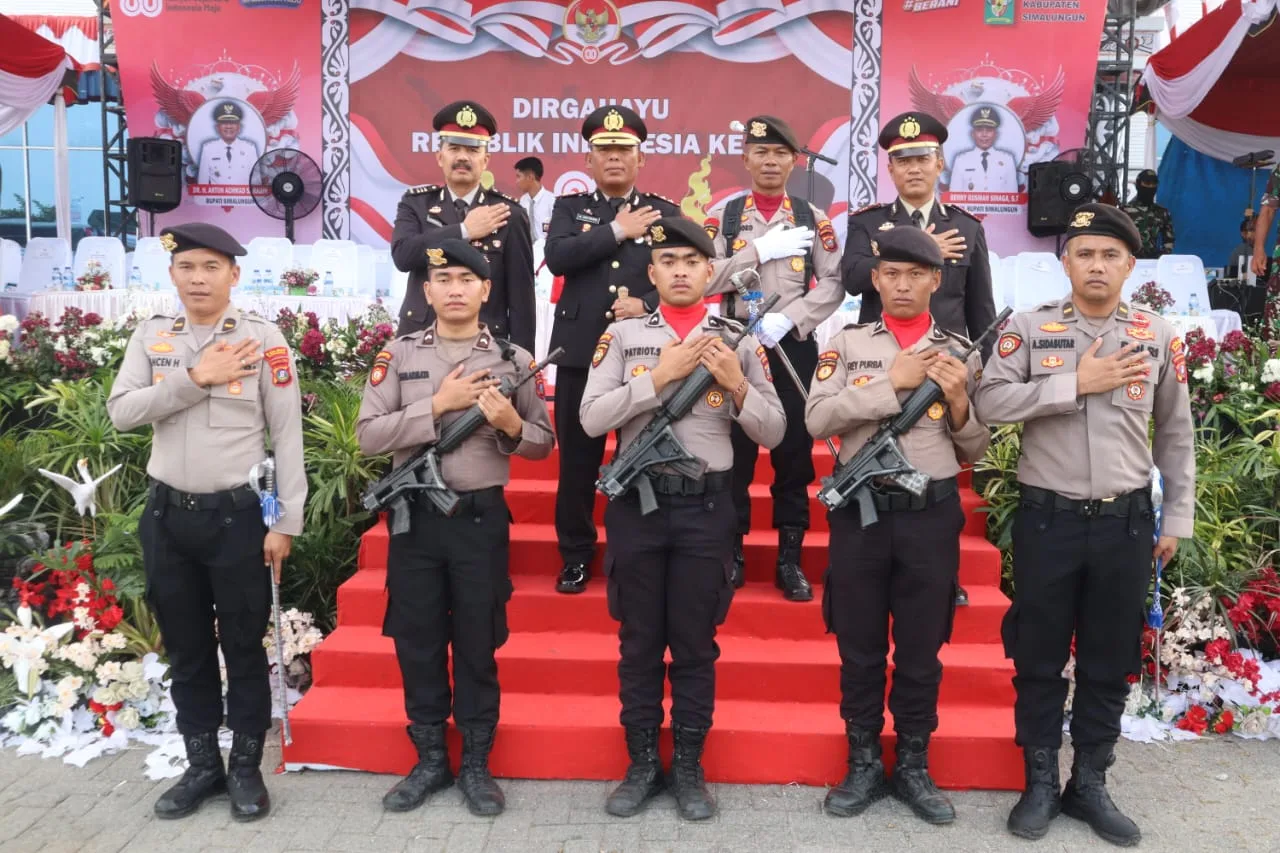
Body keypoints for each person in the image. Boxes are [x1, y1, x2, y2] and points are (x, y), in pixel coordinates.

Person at [973, 203, 1195, 846]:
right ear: (1064, 261)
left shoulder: (1153, 334)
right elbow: (988, 401)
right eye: (1084, 253)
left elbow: (1176, 434)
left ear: (1129, 264)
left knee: (1109, 656)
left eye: (1110, 255)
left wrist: (1174, 515)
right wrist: (1076, 381)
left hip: (1126, 524)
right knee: (1039, 655)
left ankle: (1090, 781)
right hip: (1050, 521)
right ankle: (1039, 781)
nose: (1096, 265)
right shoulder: (1029, 327)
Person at [580, 215, 786, 821]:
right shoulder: (622, 339)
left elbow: (774, 431)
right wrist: (658, 379)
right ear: (652, 273)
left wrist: (736, 386)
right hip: (638, 508)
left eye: (691, 263)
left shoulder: (738, 340)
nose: (679, 271)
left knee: (695, 645)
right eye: (667, 263)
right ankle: (642, 763)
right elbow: (592, 420)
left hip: (706, 510)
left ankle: (690, 765)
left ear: (709, 273)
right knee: (639, 642)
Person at [105, 223, 306, 822]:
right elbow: (122, 413)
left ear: (234, 275)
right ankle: (202, 767)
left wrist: (286, 524)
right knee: (187, 651)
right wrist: (194, 379)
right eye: (187, 266)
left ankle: (245, 767)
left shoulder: (264, 341)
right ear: (172, 274)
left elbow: (288, 435)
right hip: (168, 518)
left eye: (211, 267)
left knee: (243, 648)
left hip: (238, 520)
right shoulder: (152, 338)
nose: (198, 278)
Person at [356, 238, 554, 817]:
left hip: (478, 521)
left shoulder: (514, 361)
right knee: (416, 641)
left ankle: (475, 763)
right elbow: (368, 435)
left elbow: (543, 446)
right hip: (415, 520)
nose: (455, 289)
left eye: (467, 279)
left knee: (476, 641)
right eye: (443, 279)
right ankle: (430, 760)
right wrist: (436, 408)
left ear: (486, 290)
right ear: (427, 289)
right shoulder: (397, 355)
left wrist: (512, 422)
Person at [807, 225, 989, 825]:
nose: (903, 284)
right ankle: (861, 761)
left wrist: (959, 404)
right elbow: (817, 418)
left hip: (929, 515)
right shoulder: (846, 343)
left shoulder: (963, 350)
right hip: (862, 513)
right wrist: (894, 386)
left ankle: (913, 763)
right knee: (859, 643)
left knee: (920, 645)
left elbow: (976, 450)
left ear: (937, 280)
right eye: (893, 274)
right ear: (877, 278)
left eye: (917, 275)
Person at [843, 110, 997, 607]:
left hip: (945, 366)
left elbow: (981, 310)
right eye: (902, 160)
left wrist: (980, 381)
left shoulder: (968, 228)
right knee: (879, 458)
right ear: (890, 169)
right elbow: (852, 275)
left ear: (940, 164)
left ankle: (940, 574)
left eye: (923, 159)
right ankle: (873, 568)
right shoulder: (868, 223)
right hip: (882, 364)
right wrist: (925, 247)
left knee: (940, 474)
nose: (913, 168)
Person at [701, 114, 843, 599]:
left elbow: (834, 281)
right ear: (745, 158)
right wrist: (757, 250)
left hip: (792, 344)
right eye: (760, 152)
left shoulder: (811, 219)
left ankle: (789, 558)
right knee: (735, 452)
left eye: (780, 152)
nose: (770, 160)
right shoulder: (725, 217)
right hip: (737, 344)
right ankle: (733, 553)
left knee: (794, 454)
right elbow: (703, 276)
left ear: (793, 160)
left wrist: (795, 317)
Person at [544, 105, 682, 594]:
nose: (615, 158)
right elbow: (558, 257)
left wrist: (644, 302)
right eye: (605, 150)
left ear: (641, 158)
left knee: (643, 453)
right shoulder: (570, 208)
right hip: (581, 353)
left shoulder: (665, 211)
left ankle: (636, 550)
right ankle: (576, 555)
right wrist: (618, 231)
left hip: (646, 354)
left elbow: (683, 272)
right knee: (578, 461)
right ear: (589, 158)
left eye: (625, 150)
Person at [391, 101, 536, 350]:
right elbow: (403, 256)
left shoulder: (508, 213)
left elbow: (522, 300)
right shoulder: (415, 204)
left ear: (486, 159)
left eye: (472, 150)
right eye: (454, 148)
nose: (462, 157)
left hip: (486, 344)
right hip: (421, 340)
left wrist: (523, 365)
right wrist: (464, 230)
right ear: (440, 157)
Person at [948, 106, 1021, 193]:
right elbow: (954, 197)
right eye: (979, 130)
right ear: (972, 134)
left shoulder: (1007, 160)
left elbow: (1012, 198)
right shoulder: (961, 160)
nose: (984, 135)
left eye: (989, 130)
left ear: (996, 134)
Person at [197, 101, 259, 186]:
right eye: (224, 122)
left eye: (233, 122)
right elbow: (202, 184)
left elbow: (256, 183)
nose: (228, 126)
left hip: (243, 199)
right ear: (217, 127)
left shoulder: (250, 149)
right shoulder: (208, 149)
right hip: (216, 199)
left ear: (239, 127)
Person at [1120, 170, 1175, 259]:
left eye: (1154, 183)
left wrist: (1162, 256)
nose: (1151, 186)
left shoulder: (1162, 212)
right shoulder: (1124, 211)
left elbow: (1169, 239)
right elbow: (1117, 237)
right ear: (1138, 184)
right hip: (1129, 261)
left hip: (1153, 262)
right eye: (1147, 183)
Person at [515, 156, 556, 243]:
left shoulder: (552, 201)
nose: (516, 181)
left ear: (530, 177)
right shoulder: (522, 201)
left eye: (518, 176)